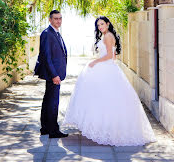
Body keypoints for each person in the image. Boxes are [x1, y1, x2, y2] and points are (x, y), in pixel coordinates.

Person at [63, 16, 156, 146]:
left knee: (104, 97)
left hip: (105, 66)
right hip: (108, 67)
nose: (100, 27)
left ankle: (105, 129)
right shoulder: (108, 35)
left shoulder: (108, 36)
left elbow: (108, 56)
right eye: (98, 25)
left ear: (107, 24)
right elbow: (113, 56)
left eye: (102, 24)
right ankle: (103, 127)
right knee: (104, 97)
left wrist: (95, 61)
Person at [34, 10, 68, 138]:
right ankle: (53, 130)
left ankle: (45, 128)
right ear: (50, 19)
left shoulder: (55, 32)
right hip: (53, 74)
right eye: (55, 19)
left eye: (60, 18)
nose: (58, 21)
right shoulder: (47, 33)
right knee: (53, 102)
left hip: (56, 73)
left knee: (48, 100)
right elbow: (46, 56)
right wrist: (54, 75)